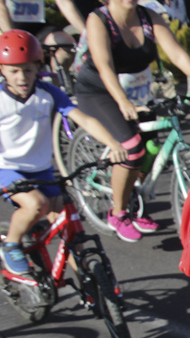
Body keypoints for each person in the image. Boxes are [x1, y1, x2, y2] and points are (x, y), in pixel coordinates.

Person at [74, 0, 190, 243]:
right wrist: (122, 102)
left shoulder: (149, 17)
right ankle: (118, 212)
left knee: (153, 147)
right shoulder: (99, 20)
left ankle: (133, 199)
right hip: (99, 92)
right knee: (132, 148)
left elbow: (178, 55)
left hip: (136, 94)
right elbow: (105, 66)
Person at [0, 29, 126, 274]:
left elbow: (85, 120)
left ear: (38, 67)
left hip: (42, 169)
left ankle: (87, 278)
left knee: (66, 220)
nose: (22, 77)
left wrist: (113, 144)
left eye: (28, 69)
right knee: (36, 205)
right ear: (2, 70)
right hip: (7, 168)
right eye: (14, 70)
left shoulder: (48, 93)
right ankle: (11, 244)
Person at [0, 0, 88, 72]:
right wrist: (13, 40)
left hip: (38, 28)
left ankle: (56, 85)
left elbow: (64, 1)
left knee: (66, 44)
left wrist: (86, 34)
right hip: (7, 31)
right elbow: (0, 7)